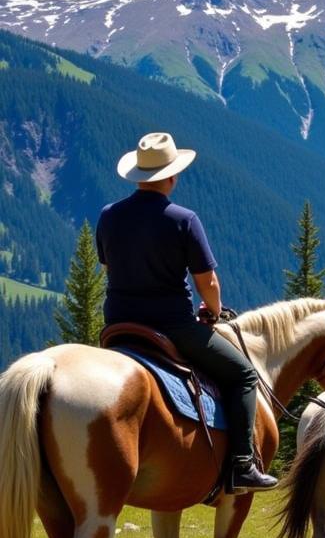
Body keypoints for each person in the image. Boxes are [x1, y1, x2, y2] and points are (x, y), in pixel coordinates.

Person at [95, 132, 276, 493]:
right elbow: (207, 281)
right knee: (242, 374)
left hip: (118, 324)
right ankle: (242, 465)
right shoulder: (183, 219)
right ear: (171, 175)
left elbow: (109, 268)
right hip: (172, 325)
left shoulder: (109, 215)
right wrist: (214, 310)